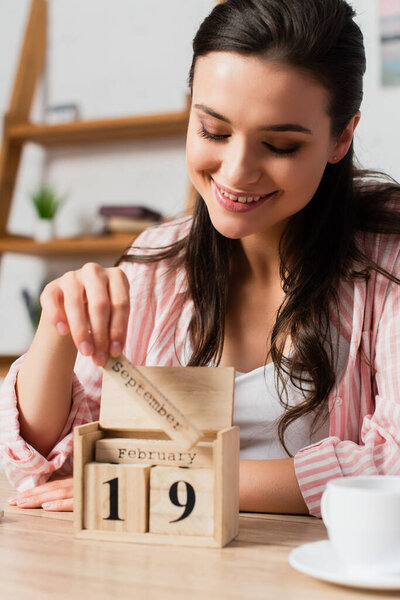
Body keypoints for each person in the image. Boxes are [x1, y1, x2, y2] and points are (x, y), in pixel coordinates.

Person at [1, 0, 399, 517]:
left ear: (341, 136)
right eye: (213, 131)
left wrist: (180, 478)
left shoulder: (387, 260)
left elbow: (393, 466)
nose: (236, 172)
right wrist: (56, 326)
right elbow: (46, 473)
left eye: (278, 145)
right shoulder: (153, 266)